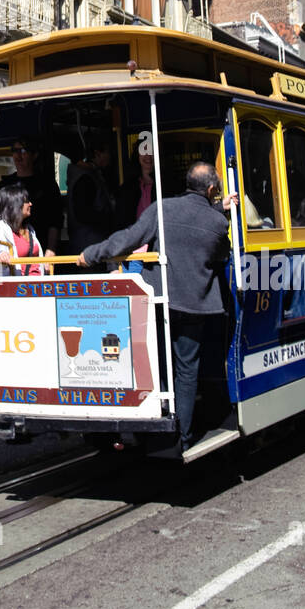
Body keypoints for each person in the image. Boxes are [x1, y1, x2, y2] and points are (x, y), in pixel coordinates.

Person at [79, 161, 238, 452]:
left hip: (159, 302)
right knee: (186, 370)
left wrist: (91, 254)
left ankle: (153, 420)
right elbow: (219, 252)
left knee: (155, 365)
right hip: (194, 306)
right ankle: (182, 436)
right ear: (213, 189)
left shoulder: (163, 209)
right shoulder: (218, 222)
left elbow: (128, 239)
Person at [0, 135, 63, 256]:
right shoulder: (3, 185)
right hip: (9, 249)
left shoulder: (47, 185)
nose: (18, 156)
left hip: (40, 245)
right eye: (15, 151)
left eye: (23, 151)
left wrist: (51, 249)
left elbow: (55, 220)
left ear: (34, 155)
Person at [0, 185, 45, 277]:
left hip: (37, 286)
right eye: (26, 201)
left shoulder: (29, 229)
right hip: (15, 287)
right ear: (15, 204)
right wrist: (0, 254)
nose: (30, 204)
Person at [66, 137, 115, 255]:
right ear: (97, 154)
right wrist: (109, 218)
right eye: (108, 152)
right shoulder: (86, 179)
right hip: (90, 247)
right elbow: (83, 214)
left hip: (89, 244)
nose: (110, 156)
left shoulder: (90, 175)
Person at [117, 145, 156, 227]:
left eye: (151, 151)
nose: (148, 155)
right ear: (137, 155)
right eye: (144, 151)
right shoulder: (127, 188)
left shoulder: (166, 184)